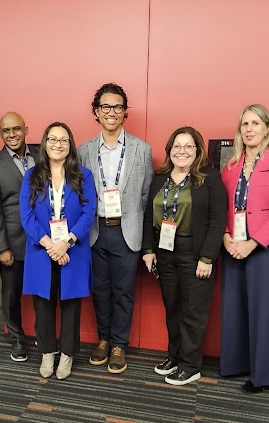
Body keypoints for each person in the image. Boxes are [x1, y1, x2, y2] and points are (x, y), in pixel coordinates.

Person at [142, 127, 227, 385]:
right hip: (165, 253)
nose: (182, 151)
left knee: (193, 312)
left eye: (188, 146)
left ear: (197, 150)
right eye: (177, 146)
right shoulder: (160, 177)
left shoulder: (209, 178)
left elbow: (217, 220)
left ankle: (191, 365)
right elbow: (148, 214)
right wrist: (148, 250)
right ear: (170, 150)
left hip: (195, 254)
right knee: (173, 308)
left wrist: (207, 257)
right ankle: (175, 356)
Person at [78, 83, 153, 374]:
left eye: (118, 107)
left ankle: (119, 344)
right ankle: (104, 339)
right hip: (95, 231)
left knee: (123, 292)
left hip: (127, 231)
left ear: (125, 112)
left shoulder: (141, 150)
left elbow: (146, 196)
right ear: (96, 111)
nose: (111, 112)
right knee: (100, 291)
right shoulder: (84, 151)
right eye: (105, 107)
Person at [220, 104, 269, 393]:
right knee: (234, 307)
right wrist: (226, 237)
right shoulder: (231, 166)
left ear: (267, 128)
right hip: (234, 245)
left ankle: (263, 375)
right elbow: (225, 208)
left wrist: (253, 242)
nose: (249, 129)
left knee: (265, 312)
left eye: (255, 123)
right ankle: (236, 363)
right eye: (244, 124)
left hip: (265, 248)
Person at [19, 122, 96, 380]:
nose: (58, 144)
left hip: (72, 249)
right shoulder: (32, 176)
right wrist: (51, 244)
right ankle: (47, 352)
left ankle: (67, 355)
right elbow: (26, 215)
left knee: (71, 305)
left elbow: (88, 213)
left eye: (63, 140)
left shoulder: (83, 175)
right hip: (42, 250)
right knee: (43, 304)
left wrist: (67, 242)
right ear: (45, 143)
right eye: (53, 139)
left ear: (70, 145)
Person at [0, 112, 40, 362]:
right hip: (13, 242)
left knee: (43, 291)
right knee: (11, 295)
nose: (12, 134)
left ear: (26, 129)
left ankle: (44, 334)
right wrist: (1, 247)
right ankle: (16, 338)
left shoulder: (42, 154)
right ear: (0, 134)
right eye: (6, 131)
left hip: (43, 240)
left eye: (17, 129)